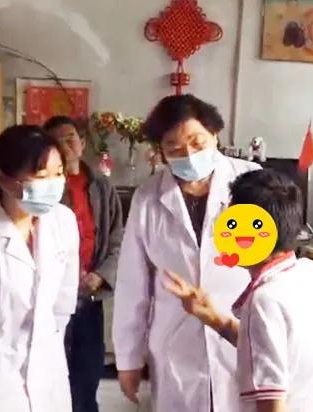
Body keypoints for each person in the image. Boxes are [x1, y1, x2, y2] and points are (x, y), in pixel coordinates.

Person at [164, 169, 313, 412]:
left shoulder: (265, 301)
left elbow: (272, 406)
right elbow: (269, 348)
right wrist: (214, 319)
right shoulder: (312, 273)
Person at [112, 94, 261, 411]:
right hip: (176, 343)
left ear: (215, 135)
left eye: (197, 142)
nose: (189, 155)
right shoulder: (148, 198)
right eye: (175, 149)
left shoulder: (253, 182)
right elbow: (132, 285)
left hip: (242, 333)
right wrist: (128, 359)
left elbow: (276, 262)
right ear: (161, 152)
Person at [0, 125, 79, 412]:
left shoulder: (63, 222)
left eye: (58, 173)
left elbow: (62, 303)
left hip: (48, 377)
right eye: (41, 176)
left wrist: (47, 346)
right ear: (3, 179)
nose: (54, 184)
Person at [44, 116, 124, 412]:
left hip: (90, 296)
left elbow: (117, 237)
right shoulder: (45, 187)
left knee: (87, 376)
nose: (65, 146)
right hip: (52, 298)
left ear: (83, 143)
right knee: (54, 378)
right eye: (56, 141)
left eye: (70, 138)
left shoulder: (101, 186)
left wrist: (101, 275)